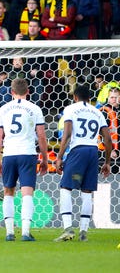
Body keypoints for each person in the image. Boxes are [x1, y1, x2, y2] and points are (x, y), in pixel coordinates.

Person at [54, 85, 112, 242]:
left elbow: (66, 134)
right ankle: (83, 232)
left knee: (66, 188)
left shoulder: (71, 109)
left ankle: (68, 229)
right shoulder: (97, 112)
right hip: (93, 153)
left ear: (75, 97)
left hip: (77, 151)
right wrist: (107, 162)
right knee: (87, 191)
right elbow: (107, 139)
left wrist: (59, 157)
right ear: (89, 98)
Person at [0, 78, 48, 242]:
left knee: (8, 192)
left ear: (11, 92)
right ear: (28, 91)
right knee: (27, 193)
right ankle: (25, 232)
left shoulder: (3, 109)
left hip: (9, 154)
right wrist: (44, 158)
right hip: (27, 153)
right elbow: (42, 136)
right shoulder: (35, 108)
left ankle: (9, 233)